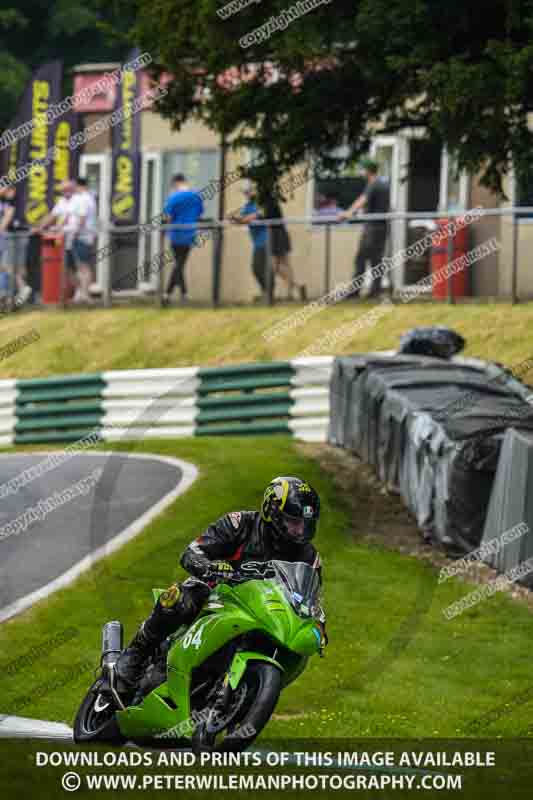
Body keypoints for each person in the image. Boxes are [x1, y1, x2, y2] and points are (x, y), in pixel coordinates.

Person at [116, 476, 326, 693]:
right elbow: (192, 552)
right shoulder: (241, 524)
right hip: (218, 593)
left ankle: (242, 694)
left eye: (306, 524)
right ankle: (135, 654)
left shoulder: (309, 556)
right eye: (294, 522)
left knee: (293, 649)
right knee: (179, 599)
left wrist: (317, 622)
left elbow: (312, 597)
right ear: (271, 512)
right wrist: (211, 568)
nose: (300, 531)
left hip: (264, 612)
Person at [338, 159, 390, 297]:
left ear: (368, 171)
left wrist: (347, 213)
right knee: (376, 260)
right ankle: (375, 291)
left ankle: (355, 291)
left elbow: (362, 200)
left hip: (372, 227)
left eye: (363, 169)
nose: (362, 172)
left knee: (361, 258)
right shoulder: (383, 184)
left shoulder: (373, 184)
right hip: (381, 227)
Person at [162, 173, 204, 306]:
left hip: (175, 235)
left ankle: (168, 294)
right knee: (180, 264)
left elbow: (168, 217)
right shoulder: (196, 196)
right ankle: (181, 294)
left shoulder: (173, 197)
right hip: (189, 234)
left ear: (175, 183)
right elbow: (199, 214)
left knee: (178, 265)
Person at [37, 180, 78, 300]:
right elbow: (52, 216)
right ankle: (67, 294)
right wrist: (40, 227)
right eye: (63, 190)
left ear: (73, 189)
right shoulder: (62, 201)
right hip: (64, 242)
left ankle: (80, 293)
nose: (65, 192)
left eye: (68, 189)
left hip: (76, 238)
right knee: (67, 269)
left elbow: (72, 220)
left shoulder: (78, 200)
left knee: (78, 267)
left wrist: (59, 226)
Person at [229, 184, 270, 301]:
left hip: (266, 240)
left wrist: (240, 219)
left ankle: (267, 294)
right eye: (246, 192)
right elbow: (241, 220)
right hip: (257, 242)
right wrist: (234, 219)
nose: (247, 194)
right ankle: (266, 292)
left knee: (260, 268)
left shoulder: (262, 204)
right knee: (257, 269)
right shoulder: (248, 206)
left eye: (249, 192)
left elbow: (256, 216)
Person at [263, 197, 307, 302]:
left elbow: (263, 217)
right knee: (281, 265)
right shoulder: (269, 202)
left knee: (280, 265)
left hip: (277, 234)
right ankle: (296, 287)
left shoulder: (269, 203)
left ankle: (291, 290)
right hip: (278, 234)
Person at [0, 184, 31, 309]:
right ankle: (14, 294)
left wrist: (1, 229)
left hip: (14, 236)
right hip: (15, 235)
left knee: (7, 266)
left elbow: (8, 216)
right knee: (14, 267)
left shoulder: (13, 200)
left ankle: (22, 288)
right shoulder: (8, 200)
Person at [70, 177, 98, 303]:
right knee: (81, 267)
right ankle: (82, 293)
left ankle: (86, 294)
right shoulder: (88, 198)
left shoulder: (84, 199)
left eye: (75, 186)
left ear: (80, 186)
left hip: (82, 236)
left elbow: (82, 218)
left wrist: (75, 233)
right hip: (85, 236)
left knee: (84, 267)